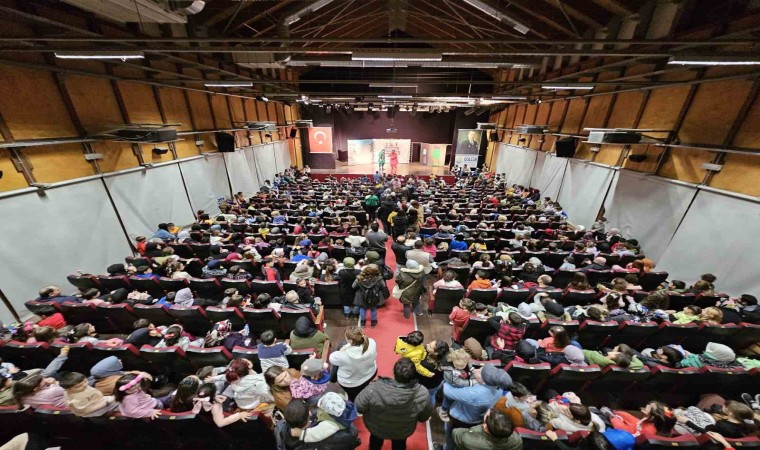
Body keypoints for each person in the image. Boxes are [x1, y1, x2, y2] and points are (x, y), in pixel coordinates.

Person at [355, 357, 433, 450]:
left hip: (377, 427)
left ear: (394, 372)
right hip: (402, 430)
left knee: (375, 443)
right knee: (399, 445)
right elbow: (424, 417)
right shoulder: (422, 393)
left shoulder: (373, 388)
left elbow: (359, 407)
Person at [437, 364, 513, 450]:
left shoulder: (476, 394)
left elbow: (447, 390)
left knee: (451, 437)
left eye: (480, 372)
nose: (476, 370)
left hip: (460, 419)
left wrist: (447, 379)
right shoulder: (498, 388)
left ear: (484, 382)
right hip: (476, 419)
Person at [328, 326, 377, 401]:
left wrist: (345, 347)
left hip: (351, 384)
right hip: (369, 374)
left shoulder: (343, 354)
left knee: (353, 397)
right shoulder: (372, 342)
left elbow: (332, 358)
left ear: (350, 341)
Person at [452, 407, 524, 450]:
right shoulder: (517, 440)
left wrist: (475, 429)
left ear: (485, 427)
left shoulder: (469, 440)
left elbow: (456, 432)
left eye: (487, 417)